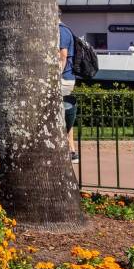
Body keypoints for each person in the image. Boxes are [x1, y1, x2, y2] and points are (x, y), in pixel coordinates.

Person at [59, 21, 78, 163]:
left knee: (62, 114)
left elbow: (63, 55)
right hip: (65, 77)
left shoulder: (61, 30)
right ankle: (71, 150)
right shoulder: (65, 29)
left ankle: (70, 150)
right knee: (64, 113)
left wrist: (56, 76)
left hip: (63, 78)